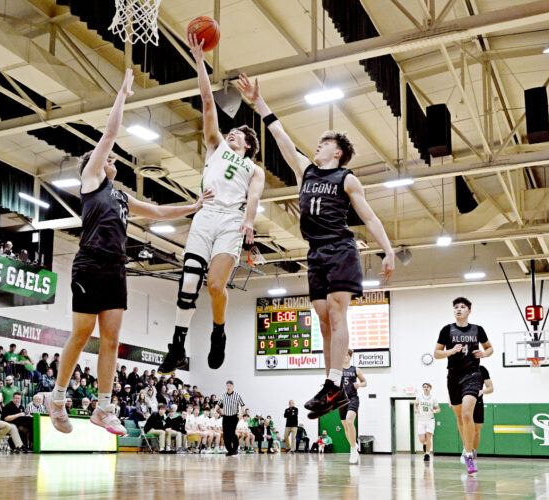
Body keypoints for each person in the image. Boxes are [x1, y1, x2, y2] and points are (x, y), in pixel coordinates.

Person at [45, 69, 214, 437]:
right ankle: (56, 398)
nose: (112, 159)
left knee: (111, 340)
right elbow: (109, 134)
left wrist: (193, 206)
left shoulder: (121, 196)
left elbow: (155, 212)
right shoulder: (91, 179)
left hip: (115, 268)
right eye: (107, 158)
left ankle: (103, 408)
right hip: (89, 262)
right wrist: (122, 94)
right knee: (82, 332)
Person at [237, 74, 395, 419]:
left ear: (337, 152)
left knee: (337, 314)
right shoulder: (306, 171)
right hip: (315, 253)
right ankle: (332, 391)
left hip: (340, 248)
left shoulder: (346, 178)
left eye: (325, 143)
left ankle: (333, 383)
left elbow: (369, 217)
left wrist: (388, 250)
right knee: (322, 321)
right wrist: (258, 102)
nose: (318, 146)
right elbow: (280, 136)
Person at [158, 35, 265, 376]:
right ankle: (177, 348)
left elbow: (254, 197)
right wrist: (199, 60)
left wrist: (249, 221)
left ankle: (219, 332)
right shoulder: (216, 147)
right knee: (189, 280)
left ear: (248, 145)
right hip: (206, 215)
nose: (230, 134)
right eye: (229, 131)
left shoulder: (254, 169)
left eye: (237, 134)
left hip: (231, 221)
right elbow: (207, 101)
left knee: (215, 286)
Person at [434, 297, 493, 475]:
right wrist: (451, 351)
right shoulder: (447, 330)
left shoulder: (478, 329)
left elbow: (490, 348)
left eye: (462, 307)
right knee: (460, 418)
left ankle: (469, 455)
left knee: (467, 414)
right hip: (453, 376)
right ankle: (467, 448)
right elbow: (436, 353)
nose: (458, 309)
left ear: (469, 311)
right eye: (456, 307)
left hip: (473, 375)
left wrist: (484, 353)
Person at [340, 349, 367, 464]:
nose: (345, 357)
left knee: (350, 421)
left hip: (352, 398)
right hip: (341, 401)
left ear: (350, 357)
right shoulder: (337, 370)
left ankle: (353, 450)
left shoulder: (356, 369)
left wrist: (359, 385)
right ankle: (354, 444)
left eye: (347, 355)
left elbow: (365, 382)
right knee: (346, 428)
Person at [469, 366, 493, 462]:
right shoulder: (460, 368)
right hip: (464, 402)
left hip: (478, 402)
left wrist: (481, 391)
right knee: (466, 428)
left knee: (476, 430)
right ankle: (467, 451)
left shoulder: (482, 369)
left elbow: (490, 388)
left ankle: (473, 454)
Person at [215, 380, 245, 456]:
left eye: (230, 386)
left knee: (231, 433)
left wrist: (241, 413)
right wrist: (215, 410)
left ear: (232, 386)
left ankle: (235, 449)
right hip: (225, 417)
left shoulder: (237, 395)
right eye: (227, 386)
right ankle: (230, 450)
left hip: (234, 417)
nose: (228, 387)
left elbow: (243, 405)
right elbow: (218, 404)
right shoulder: (223, 395)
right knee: (225, 434)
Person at [415, 382, 440, 462]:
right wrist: (415, 409)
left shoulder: (433, 398)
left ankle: (427, 454)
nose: (426, 388)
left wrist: (434, 411)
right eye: (424, 387)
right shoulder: (419, 397)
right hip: (421, 420)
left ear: (430, 388)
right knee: (422, 439)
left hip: (430, 419)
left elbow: (438, 409)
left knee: (429, 437)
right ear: (423, 388)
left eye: (427, 387)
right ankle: (425, 444)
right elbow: (416, 405)